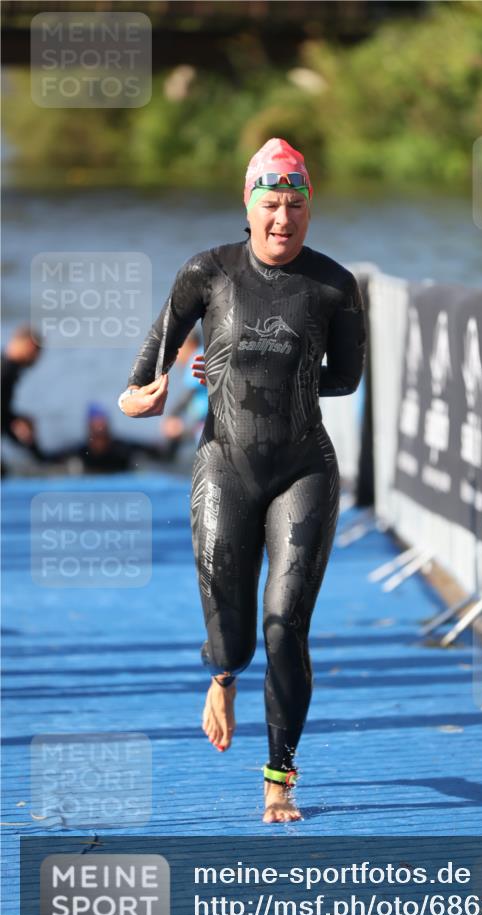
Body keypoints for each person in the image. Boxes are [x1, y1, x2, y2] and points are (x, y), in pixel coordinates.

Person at [119, 137, 366, 822]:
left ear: (309, 209)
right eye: (271, 205)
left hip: (303, 469)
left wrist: (265, 369)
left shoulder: (334, 285)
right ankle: (222, 676)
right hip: (224, 466)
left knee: (285, 624)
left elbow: (345, 379)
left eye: (295, 206)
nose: (283, 219)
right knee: (232, 636)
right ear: (249, 206)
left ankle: (279, 776)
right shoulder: (208, 272)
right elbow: (149, 366)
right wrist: (138, 398)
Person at [39, 403, 177, 474]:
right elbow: (44, 461)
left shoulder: (123, 449)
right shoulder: (80, 452)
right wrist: (31, 443)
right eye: (96, 428)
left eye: (103, 427)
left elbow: (165, 458)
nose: (100, 428)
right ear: (89, 429)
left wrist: (174, 439)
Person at [1, 325, 43, 474]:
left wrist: (14, 422)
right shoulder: (5, 369)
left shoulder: (9, 368)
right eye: (37, 350)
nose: (37, 357)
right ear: (28, 345)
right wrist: (15, 423)